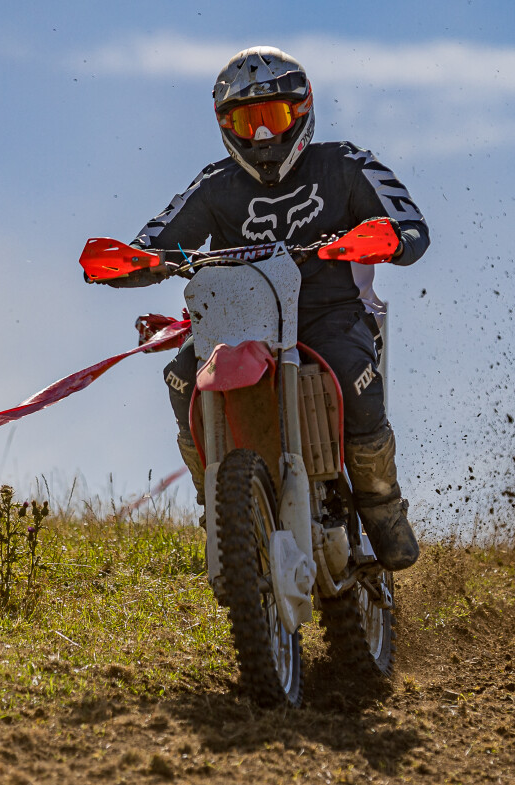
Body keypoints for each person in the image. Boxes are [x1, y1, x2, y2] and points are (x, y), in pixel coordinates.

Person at [91, 46, 429, 571]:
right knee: (181, 376)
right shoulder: (214, 186)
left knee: (351, 373)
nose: (264, 136)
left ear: (302, 111)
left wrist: (389, 238)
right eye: (248, 122)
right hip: (237, 323)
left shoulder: (344, 165)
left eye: (274, 116)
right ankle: (217, 502)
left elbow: (410, 223)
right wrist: (131, 261)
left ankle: (382, 506)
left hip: (329, 313)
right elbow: (154, 240)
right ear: (226, 126)